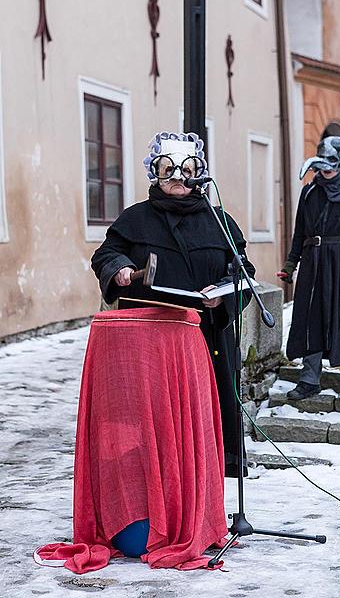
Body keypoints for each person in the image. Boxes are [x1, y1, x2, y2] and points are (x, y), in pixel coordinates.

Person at [91, 131, 256, 478]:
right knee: (155, 416)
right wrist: (117, 267)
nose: (178, 178)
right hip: (149, 340)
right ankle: (155, 476)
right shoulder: (134, 218)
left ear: (199, 172)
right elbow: (105, 254)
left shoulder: (220, 222)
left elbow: (243, 272)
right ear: (156, 172)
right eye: (168, 170)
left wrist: (223, 294)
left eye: (187, 169)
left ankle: (207, 484)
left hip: (206, 337)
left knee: (206, 413)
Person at [277, 135, 340, 403]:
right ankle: (309, 377)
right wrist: (291, 263)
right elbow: (299, 232)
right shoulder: (309, 192)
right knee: (310, 316)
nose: (326, 168)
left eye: (332, 161)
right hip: (313, 260)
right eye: (323, 161)